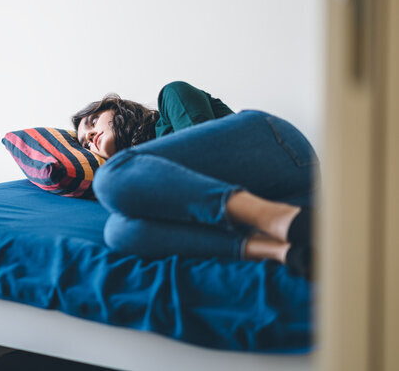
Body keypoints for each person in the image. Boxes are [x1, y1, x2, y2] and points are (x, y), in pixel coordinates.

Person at [72, 81, 318, 279]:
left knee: (109, 178)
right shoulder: (133, 184)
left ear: (116, 107)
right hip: (278, 193)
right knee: (119, 232)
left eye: (92, 122)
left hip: (279, 151)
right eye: (85, 143)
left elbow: (209, 157)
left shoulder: (171, 97)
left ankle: (280, 220)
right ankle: (284, 251)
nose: (91, 136)